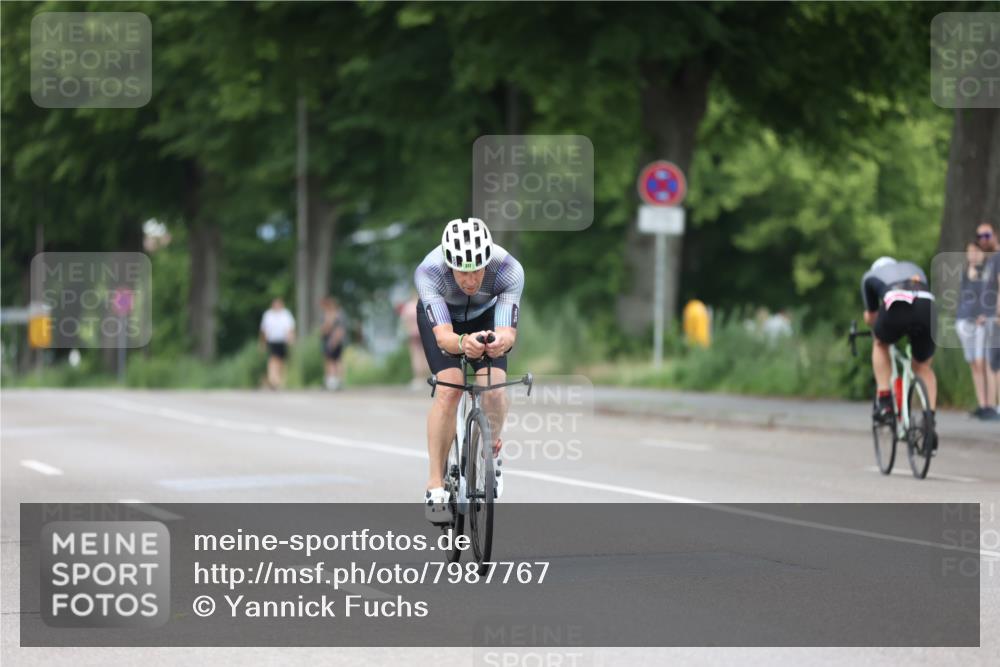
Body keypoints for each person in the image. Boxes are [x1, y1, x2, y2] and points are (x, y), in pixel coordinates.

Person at [415, 218, 524, 523]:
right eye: (462, 271)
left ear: (488, 261)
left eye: (477, 269)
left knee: (494, 388)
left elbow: (507, 333)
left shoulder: (508, 269)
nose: (471, 279)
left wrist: (499, 342)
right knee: (449, 388)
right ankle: (434, 485)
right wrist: (463, 343)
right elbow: (443, 338)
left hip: (486, 316)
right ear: (449, 264)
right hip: (445, 321)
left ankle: (491, 452)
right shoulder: (429, 271)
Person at [860, 256, 938, 450]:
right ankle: (929, 423)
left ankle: (884, 400)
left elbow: (872, 316)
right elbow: (919, 296)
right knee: (923, 366)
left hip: (896, 303)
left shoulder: (870, 276)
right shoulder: (913, 267)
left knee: (880, 344)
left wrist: (873, 324)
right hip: (928, 306)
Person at [955, 243, 997, 419]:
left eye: (975, 252)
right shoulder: (965, 272)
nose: (972, 255)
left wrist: (986, 313)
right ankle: (982, 404)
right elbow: (964, 297)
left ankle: (991, 406)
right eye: (969, 252)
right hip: (964, 320)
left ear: (983, 254)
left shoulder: (989, 272)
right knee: (973, 364)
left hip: (982, 322)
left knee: (983, 362)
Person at [976, 222, 1000, 412]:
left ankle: (996, 406)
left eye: (986, 235)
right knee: (992, 363)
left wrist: (998, 313)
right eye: (979, 236)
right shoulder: (990, 260)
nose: (983, 239)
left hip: (996, 317)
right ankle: (992, 406)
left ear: (995, 235)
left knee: (996, 363)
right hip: (989, 317)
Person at [259, 297, 295, 390]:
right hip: (272, 340)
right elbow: (264, 330)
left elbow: (290, 328)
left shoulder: (286, 314)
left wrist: (291, 338)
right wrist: (263, 343)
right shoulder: (268, 315)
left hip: (282, 341)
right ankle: (273, 380)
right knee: (273, 359)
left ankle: (280, 381)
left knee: (281, 361)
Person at [397, 290, 429, 390]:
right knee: (426, 355)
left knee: (416, 355)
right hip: (424, 332)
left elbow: (404, 320)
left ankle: (419, 378)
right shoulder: (425, 304)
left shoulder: (408, 306)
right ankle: (426, 377)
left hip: (413, 334)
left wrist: (409, 329)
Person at [319, 297, 347, 391]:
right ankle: (331, 380)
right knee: (330, 361)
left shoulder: (338, 315)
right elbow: (323, 330)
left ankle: (337, 381)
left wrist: (334, 340)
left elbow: (341, 329)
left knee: (335, 361)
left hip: (335, 340)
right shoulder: (325, 315)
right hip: (327, 340)